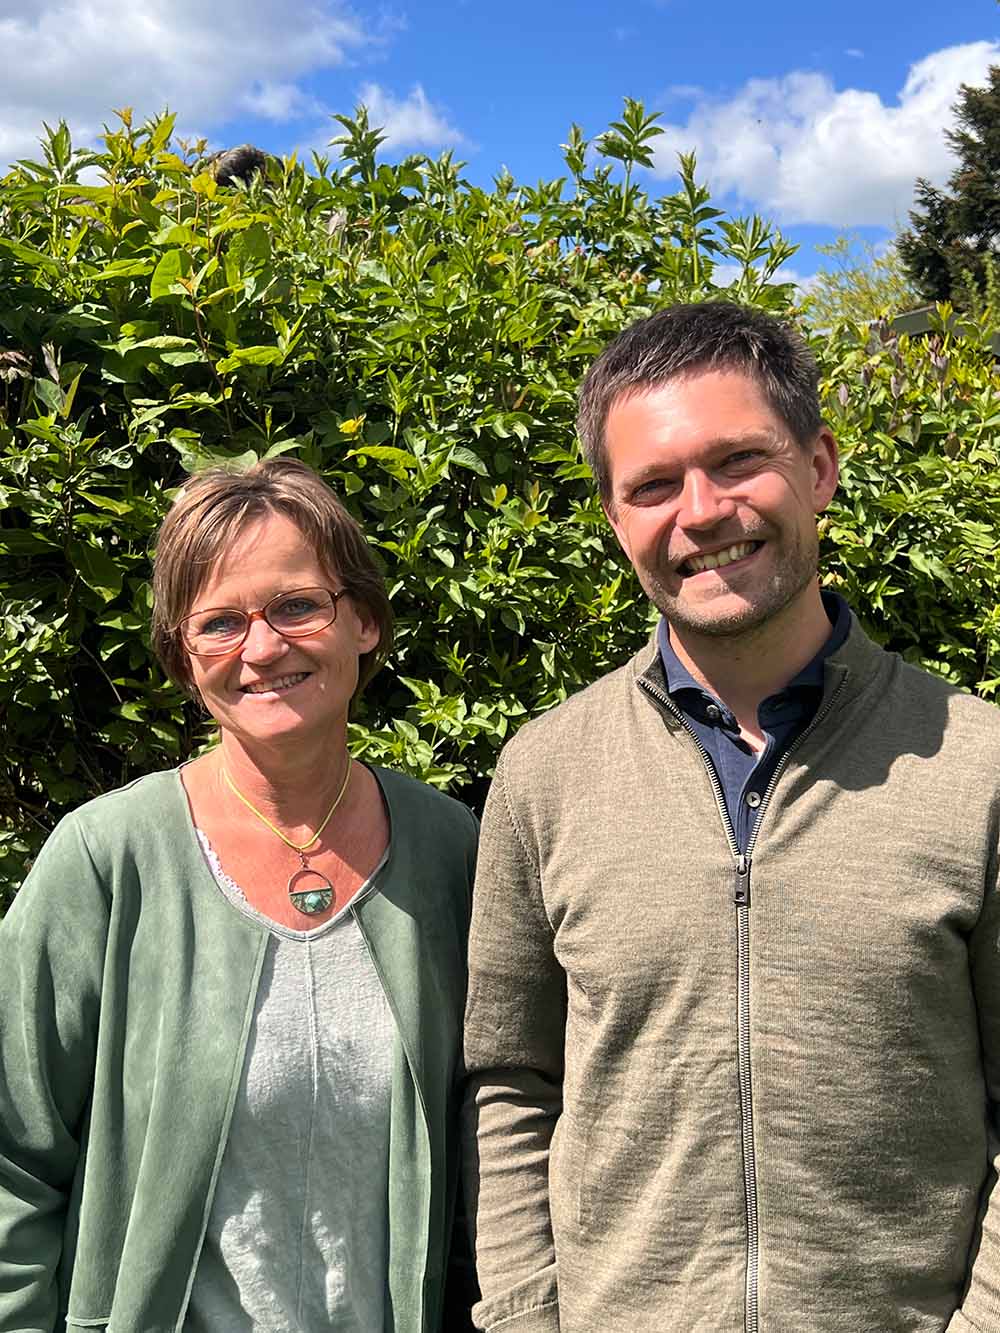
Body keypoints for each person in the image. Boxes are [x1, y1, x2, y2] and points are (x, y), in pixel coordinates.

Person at [462, 301, 1000, 1333]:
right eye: (653, 485)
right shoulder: (545, 773)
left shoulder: (976, 769)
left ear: (819, 468)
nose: (702, 512)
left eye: (738, 461)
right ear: (614, 518)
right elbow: (510, 1080)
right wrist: (525, 1316)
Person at [0, 458, 478, 1332]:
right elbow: (10, 1155)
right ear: (184, 661)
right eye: (219, 623)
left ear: (364, 620)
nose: (261, 649)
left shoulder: (453, 855)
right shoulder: (108, 861)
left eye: (296, 605)